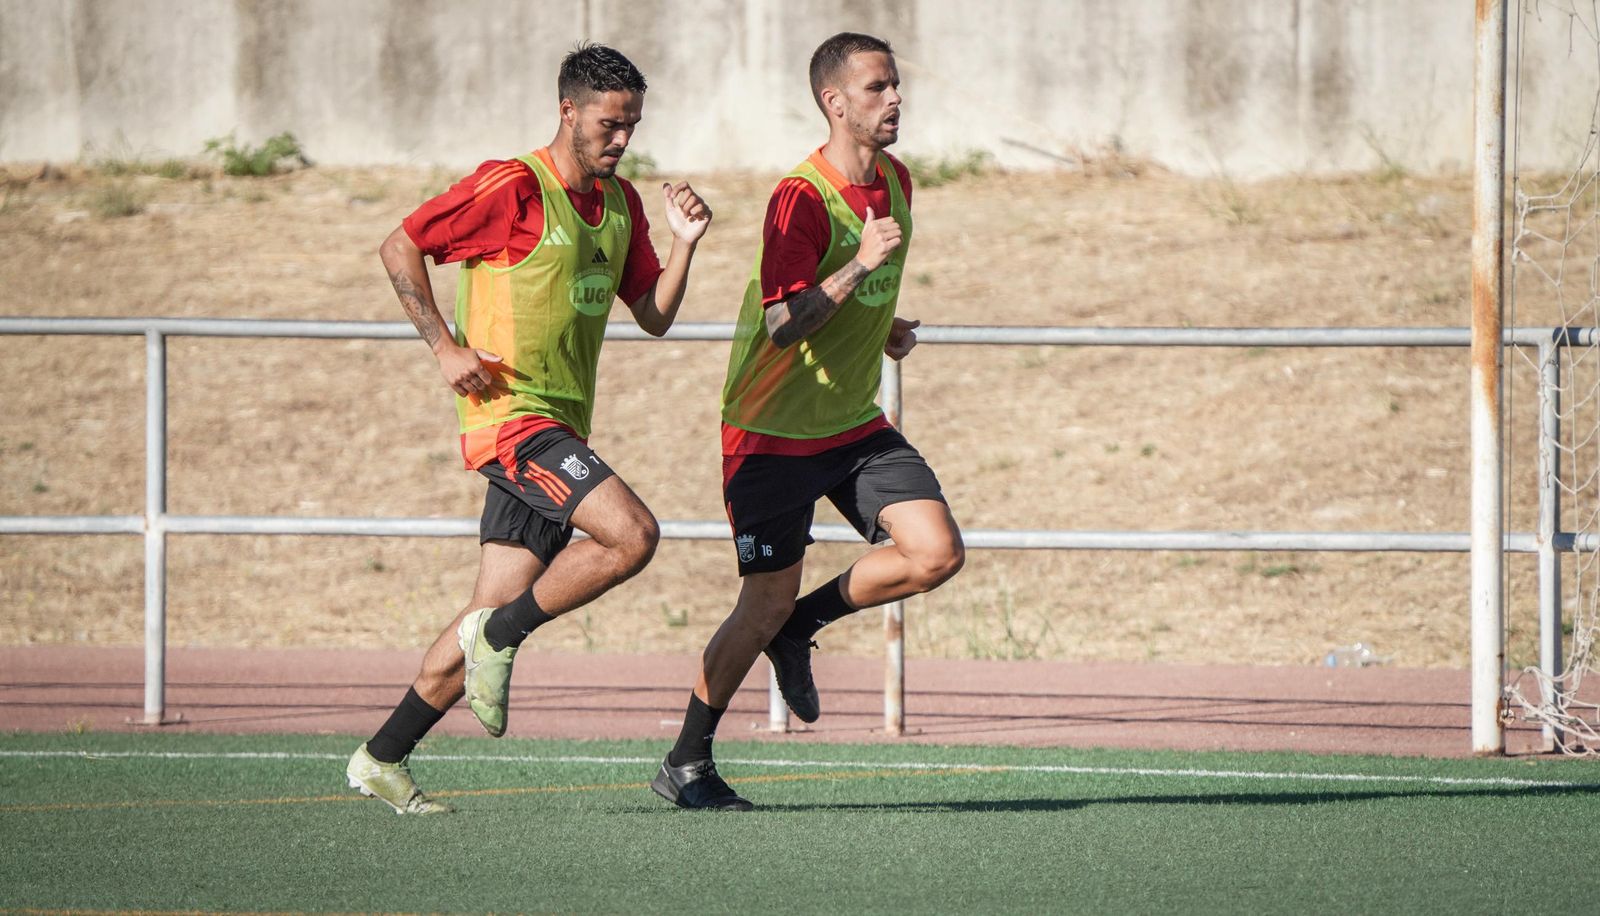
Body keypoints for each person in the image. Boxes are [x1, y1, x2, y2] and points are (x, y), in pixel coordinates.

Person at [346, 42, 713, 815]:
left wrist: (683, 247)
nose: (622, 140)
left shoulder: (621, 205)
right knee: (632, 536)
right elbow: (400, 246)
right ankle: (501, 637)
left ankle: (383, 756)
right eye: (610, 125)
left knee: (489, 610)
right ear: (568, 110)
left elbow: (652, 317)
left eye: (633, 126)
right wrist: (443, 347)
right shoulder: (513, 186)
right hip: (513, 424)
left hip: (560, 428)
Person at [651, 32, 964, 811]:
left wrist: (881, 322)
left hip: (852, 426)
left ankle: (801, 626)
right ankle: (687, 762)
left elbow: (856, 295)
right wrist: (859, 266)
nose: (894, 99)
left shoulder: (898, 182)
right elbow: (787, 322)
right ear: (835, 102)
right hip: (771, 433)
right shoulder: (799, 196)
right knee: (758, 603)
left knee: (935, 553)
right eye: (876, 89)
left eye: (895, 86)